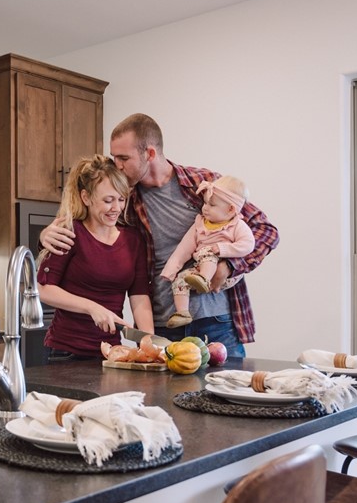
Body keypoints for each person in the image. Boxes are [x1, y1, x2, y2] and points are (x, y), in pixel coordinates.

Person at [40, 114, 279, 357]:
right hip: (165, 323)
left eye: (124, 158)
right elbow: (90, 228)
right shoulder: (126, 199)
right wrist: (45, 236)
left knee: (226, 382)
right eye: (114, 157)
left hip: (216, 321)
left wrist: (229, 265)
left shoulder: (202, 184)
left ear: (150, 154)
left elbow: (265, 230)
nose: (117, 165)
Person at [36, 155, 154, 362]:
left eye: (121, 199)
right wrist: (92, 307)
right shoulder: (69, 233)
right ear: (86, 198)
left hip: (111, 353)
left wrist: (149, 345)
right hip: (65, 352)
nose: (116, 208)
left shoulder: (133, 240)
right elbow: (43, 289)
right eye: (108, 200)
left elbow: (140, 298)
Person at [159, 175, 253, 328]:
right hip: (201, 268)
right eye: (205, 203)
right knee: (181, 279)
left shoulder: (237, 225)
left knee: (207, 252)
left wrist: (222, 249)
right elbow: (184, 249)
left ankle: (203, 278)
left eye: (212, 205)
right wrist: (170, 271)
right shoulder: (200, 223)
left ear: (230, 209)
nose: (205, 208)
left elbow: (248, 245)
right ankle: (183, 313)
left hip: (225, 276)